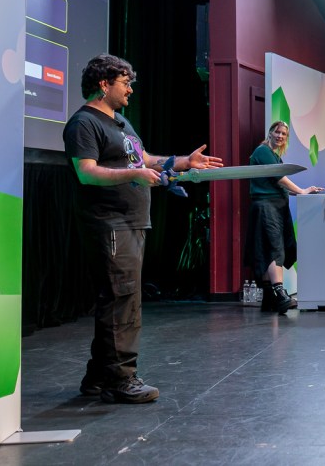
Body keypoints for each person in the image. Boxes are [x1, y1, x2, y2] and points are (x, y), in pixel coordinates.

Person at [63, 54, 223, 403]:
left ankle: (98, 377)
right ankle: (121, 379)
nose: (131, 90)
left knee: (120, 300)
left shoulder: (120, 123)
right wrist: (134, 175)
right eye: (125, 83)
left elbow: (145, 159)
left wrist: (183, 161)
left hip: (132, 222)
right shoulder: (84, 123)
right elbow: (86, 171)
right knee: (122, 301)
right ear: (103, 84)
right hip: (109, 223)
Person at [246, 120, 323, 315]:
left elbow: (279, 183)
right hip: (267, 207)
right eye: (277, 132)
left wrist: (304, 192)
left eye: (284, 134)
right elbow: (279, 178)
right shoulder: (263, 151)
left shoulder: (274, 155)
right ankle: (280, 295)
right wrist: (301, 190)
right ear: (270, 132)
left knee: (268, 249)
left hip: (275, 206)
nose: (280, 136)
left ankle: (269, 298)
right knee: (274, 249)